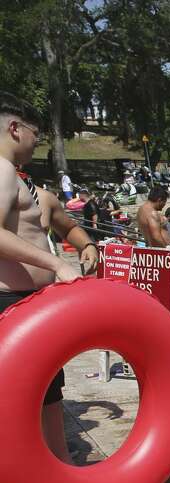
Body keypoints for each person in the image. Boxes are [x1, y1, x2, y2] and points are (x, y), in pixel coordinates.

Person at [0, 93, 83, 463]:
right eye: (35, 133)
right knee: (25, 394)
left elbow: (67, 225)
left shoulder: (20, 181)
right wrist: (55, 264)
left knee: (49, 390)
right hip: (10, 300)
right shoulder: (1, 170)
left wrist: (85, 246)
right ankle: (37, 473)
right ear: (15, 129)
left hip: (27, 301)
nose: (38, 141)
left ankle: (57, 466)